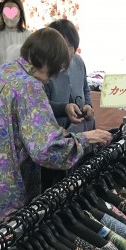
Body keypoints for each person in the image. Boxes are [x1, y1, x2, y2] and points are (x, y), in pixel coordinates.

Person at [0, 27, 112, 234]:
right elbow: (46, 150)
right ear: (48, 62)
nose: (52, 78)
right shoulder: (29, 86)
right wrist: (85, 138)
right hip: (3, 193)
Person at [42, 19, 95, 190]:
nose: (67, 52)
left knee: (83, 178)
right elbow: (40, 106)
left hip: (81, 131)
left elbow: (85, 88)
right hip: (56, 138)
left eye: (70, 47)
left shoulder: (78, 61)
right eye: (62, 47)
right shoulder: (43, 70)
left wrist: (89, 105)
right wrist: (64, 108)